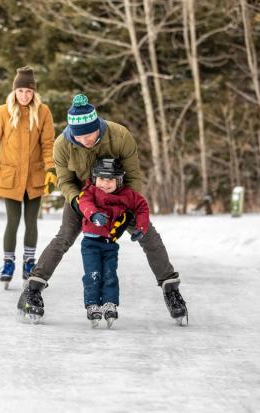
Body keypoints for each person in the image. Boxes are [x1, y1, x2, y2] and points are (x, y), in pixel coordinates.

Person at [17, 93, 188, 324]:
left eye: (90, 134)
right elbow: (65, 181)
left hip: (119, 198)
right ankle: (33, 288)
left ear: (98, 126)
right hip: (83, 199)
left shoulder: (119, 136)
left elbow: (134, 176)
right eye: (80, 136)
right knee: (64, 238)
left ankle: (171, 289)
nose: (86, 140)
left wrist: (129, 209)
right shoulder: (62, 145)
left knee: (148, 235)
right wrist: (78, 203)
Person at [0, 66, 57, 289]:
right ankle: (8, 262)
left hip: (35, 177)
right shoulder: (2, 112)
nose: (24, 96)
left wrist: (51, 170)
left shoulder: (43, 112)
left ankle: (29, 263)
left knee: (31, 222)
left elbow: (48, 145)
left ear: (34, 92)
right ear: (14, 92)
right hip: (11, 177)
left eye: (28, 92)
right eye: (20, 92)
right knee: (13, 221)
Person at [78, 157, 150, 328]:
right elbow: (84, 202)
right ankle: (92, 305)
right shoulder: (91, 191)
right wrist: (93, 214)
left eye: (110, 180)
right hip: (91, 243)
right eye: (102, 179)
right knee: (93, 275)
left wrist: (141, 227)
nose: (105, 183)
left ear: (119, 180)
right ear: (95, 178)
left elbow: (142, 206)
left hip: (110, 244)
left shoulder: (127, 195)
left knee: (110, 275)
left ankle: (110, 304)